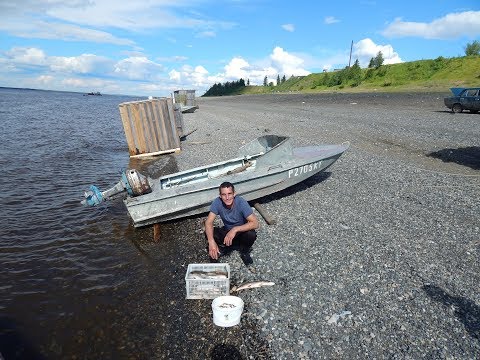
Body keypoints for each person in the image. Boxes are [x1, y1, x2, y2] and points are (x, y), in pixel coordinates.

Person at [205, 181, 259, 265]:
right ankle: (221, 249)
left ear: (234, 194)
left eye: (229, 194)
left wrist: (235, 229)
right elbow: (208, 222)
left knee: (251, 234)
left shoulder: (241, 202)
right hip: (227, 231)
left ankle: (244, 251)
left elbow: (255, 223)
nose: (227, 197)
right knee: (210, 233)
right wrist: (211, 241)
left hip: (241, 232)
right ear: (220, 196)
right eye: (224, 194)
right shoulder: (217, 202)